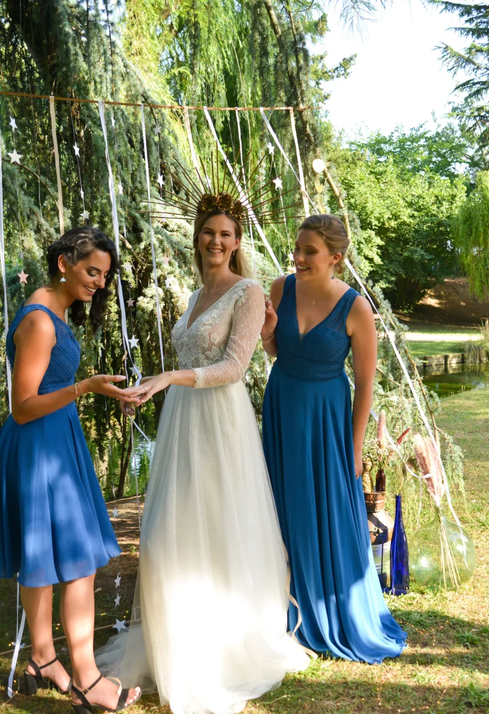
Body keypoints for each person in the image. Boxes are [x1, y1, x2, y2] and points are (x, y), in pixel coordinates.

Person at [97, 196, 309, 714]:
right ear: (198, 237)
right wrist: (149, 389)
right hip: (182, 423)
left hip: (221, 424)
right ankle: (177, 641)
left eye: (226, 234)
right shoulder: (195, 294)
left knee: (216, 528)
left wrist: (170, 377)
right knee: (170, 531)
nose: (216, 241)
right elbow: (188, 360)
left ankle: (220, 649)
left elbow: (236, 367)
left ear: (237, 242)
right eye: (208, 232)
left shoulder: (248, 291)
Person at [0, 226, 142, 713]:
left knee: (48, 559)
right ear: (64, 264)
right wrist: (85, 388)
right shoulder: (40, 320)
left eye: (104, 275)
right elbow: (22, 406)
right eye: (92, 271)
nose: (98, 282)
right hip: (38, 446)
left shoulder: (54, 308)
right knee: (76, 563)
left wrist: (101, 392)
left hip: (54, 440)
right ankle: (88, 679)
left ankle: (41, 659)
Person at [260, 214, 407, 663]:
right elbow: (274, 350)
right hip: (283, 404)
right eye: (297, 248)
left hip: (326, 415)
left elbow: (365, 385)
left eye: (310, 251)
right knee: (281, 502)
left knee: (322, 508)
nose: (298, 257)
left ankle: (331, 604)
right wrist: (267, 332)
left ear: (336, 258)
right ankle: (282, 601)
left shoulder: (356, 307)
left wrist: (355, 445)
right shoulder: (280, 288)